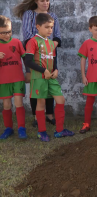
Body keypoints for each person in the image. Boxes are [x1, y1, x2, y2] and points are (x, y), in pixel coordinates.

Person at [25, 13, 74, 142]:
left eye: (51, 27)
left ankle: (59, 131)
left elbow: (54, 59)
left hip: (51, 77)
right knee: (41, 104)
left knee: (60, 100)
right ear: (38, 26)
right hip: (39, 78)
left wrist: (56, 69)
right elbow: (28, 61)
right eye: (47, 27)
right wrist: (43, 70)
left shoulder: (52, 43)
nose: (50, 30)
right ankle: (41, 132)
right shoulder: (32, 42)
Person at [14, 0, 61, 128]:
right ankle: (36, 115)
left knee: (50, 81)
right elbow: (28, 35)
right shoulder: (29, 14)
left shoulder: (53, 16)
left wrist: (50, 46)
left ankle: (50, 114)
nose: (45, 2)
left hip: (50, 53)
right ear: (36, 1)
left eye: (47, 0)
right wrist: (39, 47)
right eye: (42, 0)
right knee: (36, 84)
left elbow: (57, 36)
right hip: (33, 53)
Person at [0, 15, 27, 139]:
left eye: (9, 32)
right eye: (3, 33)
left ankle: (22, 128)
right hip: (4, 80)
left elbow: (26, 58)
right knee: (6, 105)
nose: (7, 35)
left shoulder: (17, 42)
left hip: (18, 79)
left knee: (19, 103)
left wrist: (29, 72)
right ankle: (8, 128)